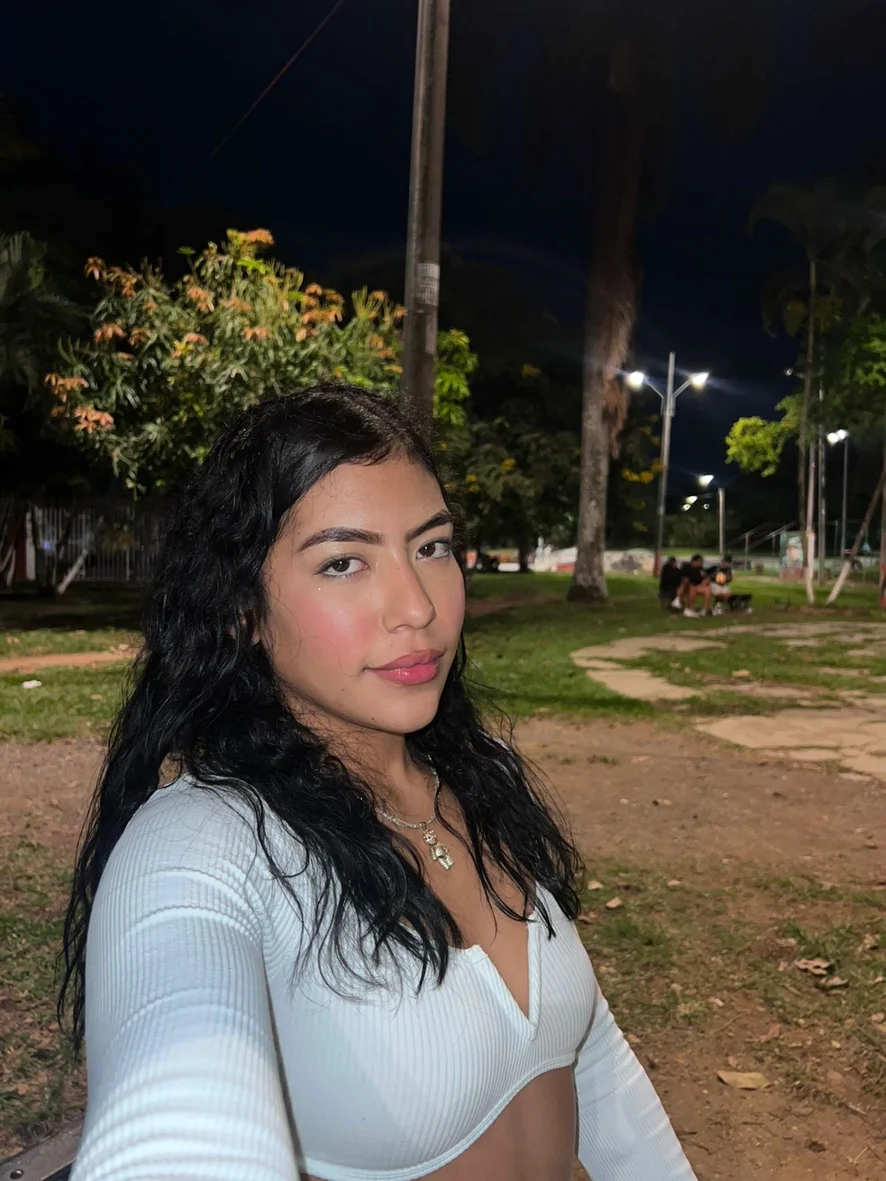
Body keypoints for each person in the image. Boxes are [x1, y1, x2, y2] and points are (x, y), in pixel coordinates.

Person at [60, 385, 697, 1181]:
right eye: (343, 562)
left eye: (431, 547)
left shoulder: (479, 777)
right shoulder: (198, 845)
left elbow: (593, 1063)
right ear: (239, 607)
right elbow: (172, 1124)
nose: (417, 607)